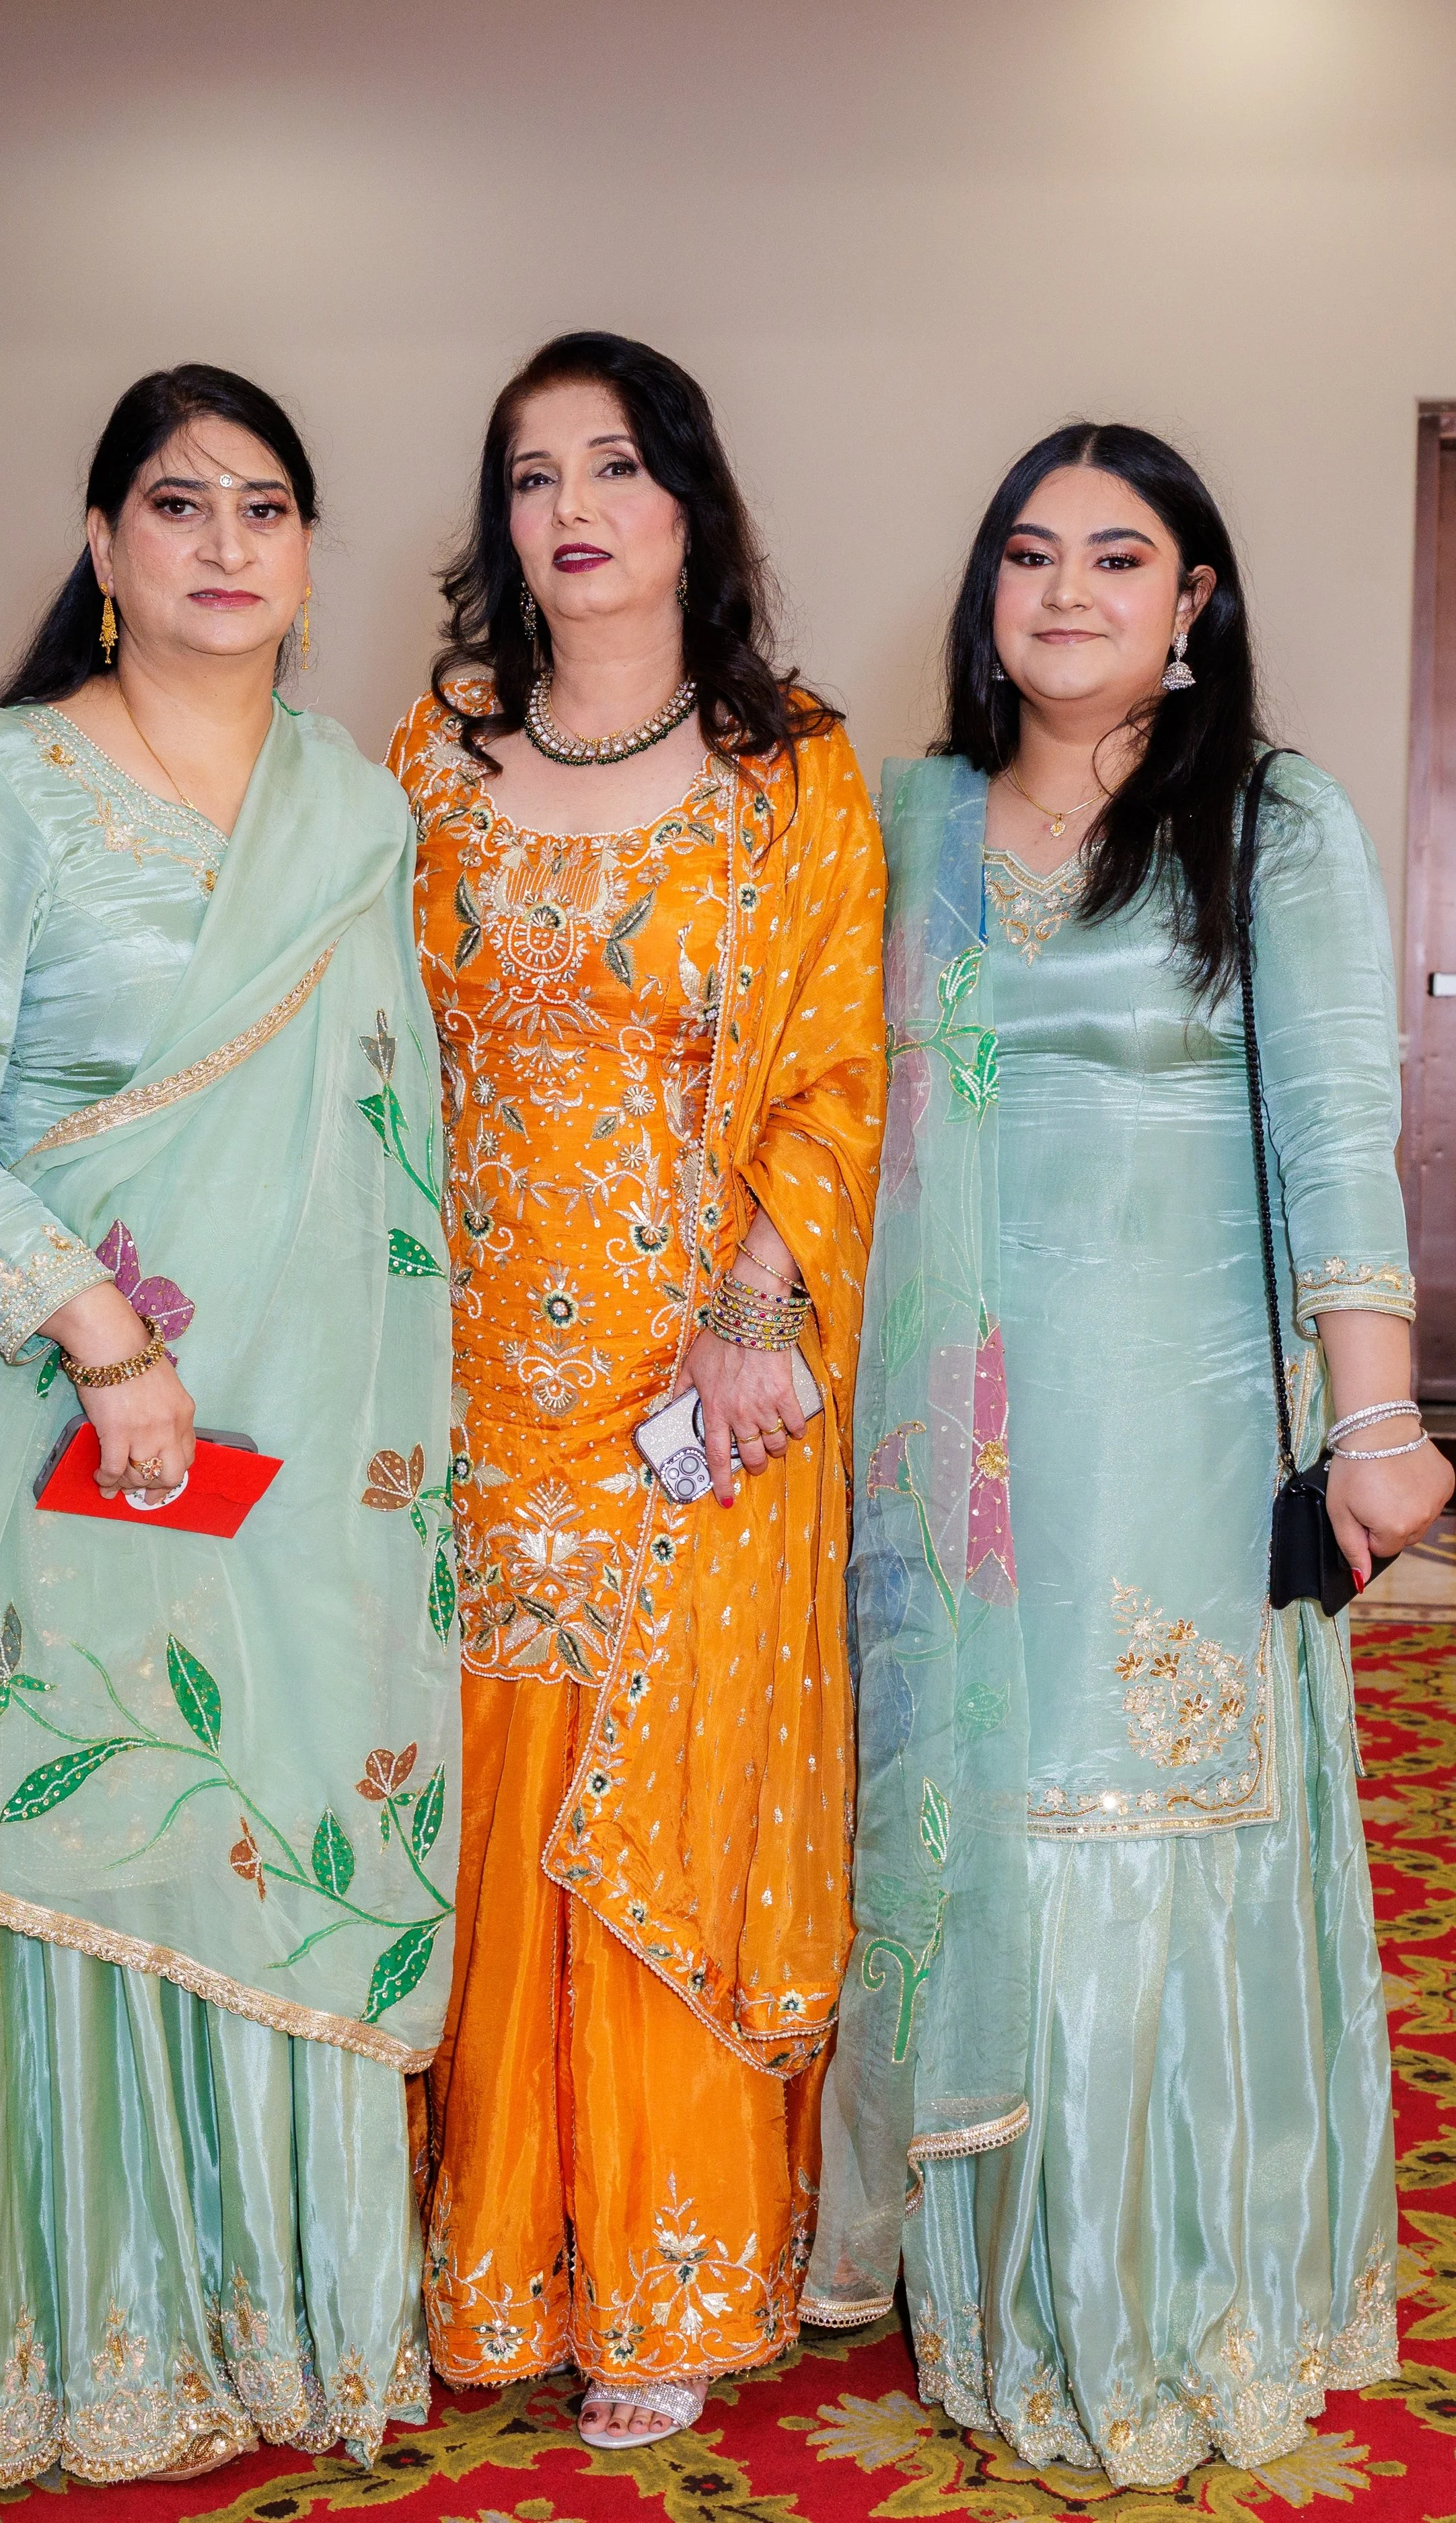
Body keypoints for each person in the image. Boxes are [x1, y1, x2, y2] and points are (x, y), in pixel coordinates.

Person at [0, 365, 459, 2488]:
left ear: (303, 554)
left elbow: (398, 1164)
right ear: (99, 550)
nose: (220, 541)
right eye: (172, 504)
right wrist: (94, 1327)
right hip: (46, 1428)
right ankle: (49, 2340)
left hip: (295, 1447)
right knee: (59, 1830)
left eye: (264, 506)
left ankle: (247, 2322)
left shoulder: (354, 814)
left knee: (250, 1815)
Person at [802, 423, 1455, 2483]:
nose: (1064, 587)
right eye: (1025, 552)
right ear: (983, 598)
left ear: (1193, 604)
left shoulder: (1271, 820)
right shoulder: (897, 821)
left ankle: (1169, 2287)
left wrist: (1373, 1424)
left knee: (1148, 1832)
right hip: (941, 1440)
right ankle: (988, 2282)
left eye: (1117, 553)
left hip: (1171, 1436)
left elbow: (1338, 1137)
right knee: (969, 1830)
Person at [387, 332, 887, 2444]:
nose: (570, 506)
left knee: (662, 1798)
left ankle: (670, 2275)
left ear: (690, 499)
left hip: (698, 1382)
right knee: (488, 1793)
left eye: (611, 464)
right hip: (460, 1359)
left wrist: (752, 1316)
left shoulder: (795, 771)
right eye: (528, 474)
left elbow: (832, 1074)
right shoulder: (429, 754)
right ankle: (494, 2260)